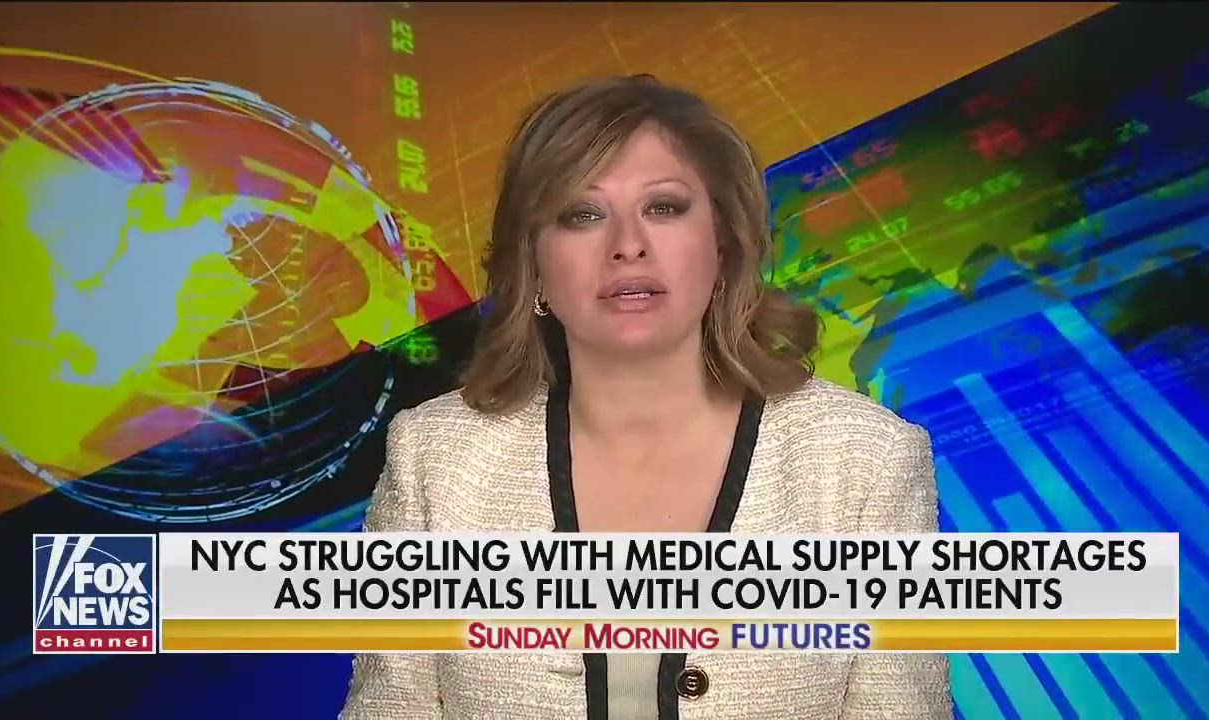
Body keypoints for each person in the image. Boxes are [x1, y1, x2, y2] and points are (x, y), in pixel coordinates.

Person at [341, 74, 950, 719]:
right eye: (583, 215)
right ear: (533, 266)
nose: (627, 245)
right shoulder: (434, 458)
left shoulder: (867, 461)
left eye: (663, 207)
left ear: (723, 247)